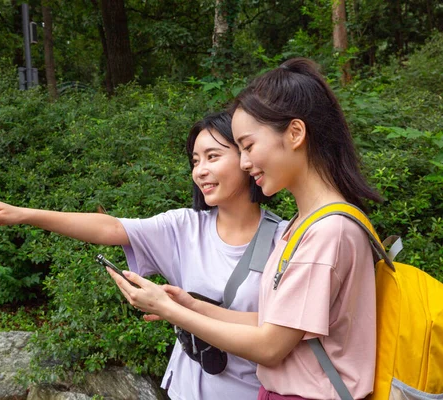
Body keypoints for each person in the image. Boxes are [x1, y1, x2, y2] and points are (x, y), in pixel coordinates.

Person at [0, 111, 288, 400]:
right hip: (185, 391)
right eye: (195, 161)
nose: (199, 170)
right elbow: (110, 228)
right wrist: (23, 214)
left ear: (247, 159)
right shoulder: (184, 227)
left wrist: (173, 307)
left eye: (213, 157)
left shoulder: (285, 238)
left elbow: (282, 334)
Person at [107, 58, 381, 400]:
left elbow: (270, 347)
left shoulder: (328, 232)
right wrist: (192, 306)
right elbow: (271, 324)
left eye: (249, 146)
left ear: (295, 133)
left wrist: (169, 311)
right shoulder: (303, 225)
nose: (245, 162)